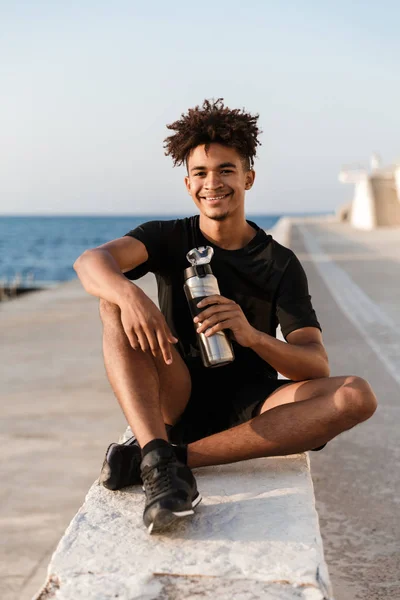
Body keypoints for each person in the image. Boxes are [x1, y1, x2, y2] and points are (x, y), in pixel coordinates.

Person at [73, 98, 377, 534]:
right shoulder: (169, 236)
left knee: (356, 396)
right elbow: (90, 261)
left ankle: (164, 459)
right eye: (200, 173)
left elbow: (315, 362)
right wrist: (130, 295)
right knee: (112, 303)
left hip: (255, 402)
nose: (212, 183)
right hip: (178, 391)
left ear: (248, 178)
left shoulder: (279, 262)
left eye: (226, 171)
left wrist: (253, 336)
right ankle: (159, 458)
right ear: (188, 183)